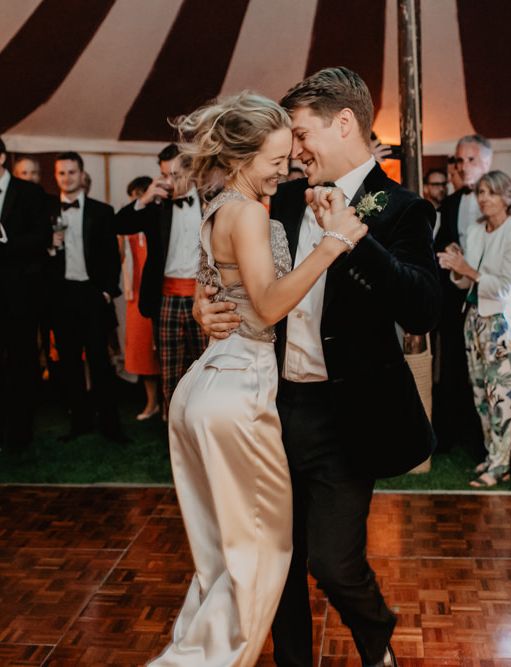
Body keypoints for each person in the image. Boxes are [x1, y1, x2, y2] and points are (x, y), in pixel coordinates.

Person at [194, 66, 440, 667]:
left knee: (333, 561)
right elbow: (229, 265)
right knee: (275, 560)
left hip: (346, 413)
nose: (292, 149)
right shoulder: (273, 194)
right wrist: (207, 303)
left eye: (301, 133)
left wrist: (355, 239)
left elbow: (424, 305)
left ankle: (377, 640)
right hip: (270, 404)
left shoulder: (400, 207)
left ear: (345, 124)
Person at [149, 91, 367, 666]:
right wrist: (333, 244)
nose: (286, 164)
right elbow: (269, 304)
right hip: (237, 393)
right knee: (261, 555)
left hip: (209, 383)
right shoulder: (247, 210)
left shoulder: (221, 203)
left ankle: (193, 654)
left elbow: (221, 283)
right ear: (244, 156)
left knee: (222, 559)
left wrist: (206, 302)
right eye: (275, 157)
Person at [433, 134, 511, 455]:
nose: (463, 167)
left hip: (502, 302)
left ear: (488, 162)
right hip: (462, 296)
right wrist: (452, 258)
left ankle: (497, 453)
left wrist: (470, 266)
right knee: (461, 371)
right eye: (459, 160)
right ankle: (459, 439)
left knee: (499, 382)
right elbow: (444, 244)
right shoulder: (452, 202)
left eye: (471, 160)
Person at [115, 144, 206, 415]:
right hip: (165, 298)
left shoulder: (210, 201)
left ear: (192, 172)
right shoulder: (156, 207)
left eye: (175, 174)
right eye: (164, 174)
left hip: (203, 296)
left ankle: (202, 424)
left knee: (204, 365)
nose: (169, 181)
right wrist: (143, 200)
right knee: (170, 369)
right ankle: (173, 426)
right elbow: (119, 225)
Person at [47, 151, 124, 442]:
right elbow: (40, 261)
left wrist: (106, 292)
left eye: (71, 172)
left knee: (100, 362)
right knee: (69, 363)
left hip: (92, 295)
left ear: (81, 175)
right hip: (62, 296)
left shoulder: (101, 211)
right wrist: (49, 246)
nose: (67, 178)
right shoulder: (46, 212)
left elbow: (112, 258)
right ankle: (79, 423)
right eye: (61, 173)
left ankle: (110, 425)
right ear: (56, 177)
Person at [0, 138, 50, 451]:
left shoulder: (29, 192)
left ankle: (20, 432)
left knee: (21, 361)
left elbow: (41, 238)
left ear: (1, 158)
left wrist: (7, 244)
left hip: (19, 293)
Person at [119, 176, 160, 420]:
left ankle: (166, 405)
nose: (137, 200)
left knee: (162, 351)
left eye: (140, 194)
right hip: (135, 295)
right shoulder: (128, 228)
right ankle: (150, 402)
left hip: (158, 292)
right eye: (133, 196)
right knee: (142, 351)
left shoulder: (159, 219)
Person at [422, 167, 448, 237]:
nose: (442, 189)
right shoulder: (419, 214)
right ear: (425, 188)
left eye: (444, 184)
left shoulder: (450, 213)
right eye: (436, 184)